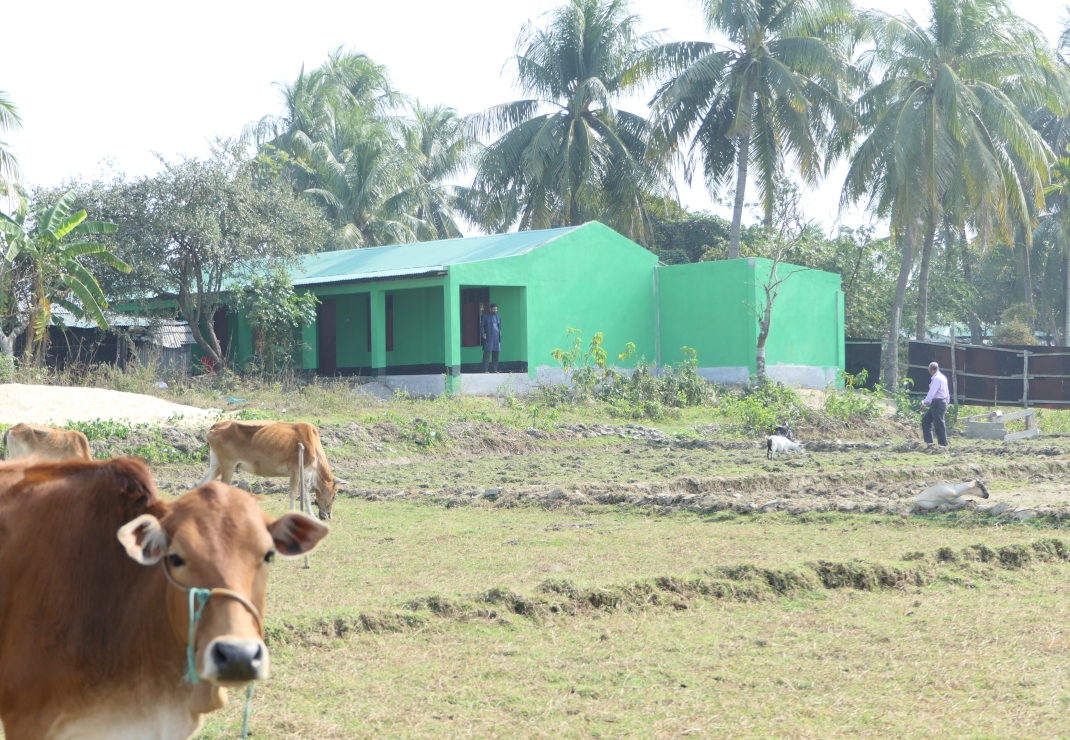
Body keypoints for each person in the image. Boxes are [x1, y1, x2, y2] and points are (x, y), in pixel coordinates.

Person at [920, 361, 950, 446]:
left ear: (931, 370)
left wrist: (924, 403)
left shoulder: (936, 378)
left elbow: (932, 392)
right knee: (926, 420)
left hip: (937, 403)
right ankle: (929, 442)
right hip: (940, 402)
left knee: (939, 425)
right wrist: (947, 402)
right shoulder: (943, 377)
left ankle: (943, 444)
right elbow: (947, 391)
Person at [481, 303, 502, 373]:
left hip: (496, 338)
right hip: (488, 337)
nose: (495, 310)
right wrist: (483, 333)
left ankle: (495, 369)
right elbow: (482, 326)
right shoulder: (485, 316)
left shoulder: (498, 317)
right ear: (490, 309)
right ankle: (485, 369)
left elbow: (499, 328)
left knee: (496, 354)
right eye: (493, 309)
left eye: (496, 309)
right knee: (487, 354)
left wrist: (500, 335)